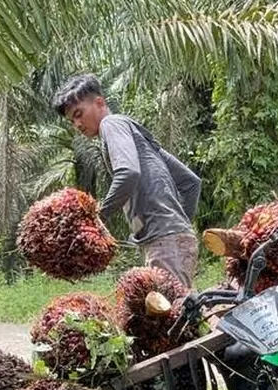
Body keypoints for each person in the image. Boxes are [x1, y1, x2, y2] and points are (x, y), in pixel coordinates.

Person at [53, 74, 202, 288]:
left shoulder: (111, 125)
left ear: (99, 102)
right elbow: (191, 182)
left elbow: (128, 173)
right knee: (176, 314)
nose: (77, 124)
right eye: (71, 120)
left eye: (79, 114)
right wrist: (177, 229)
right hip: (170, 240)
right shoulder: (139, 137)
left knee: (170, 318)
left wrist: (96, 217)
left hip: (165, 242)